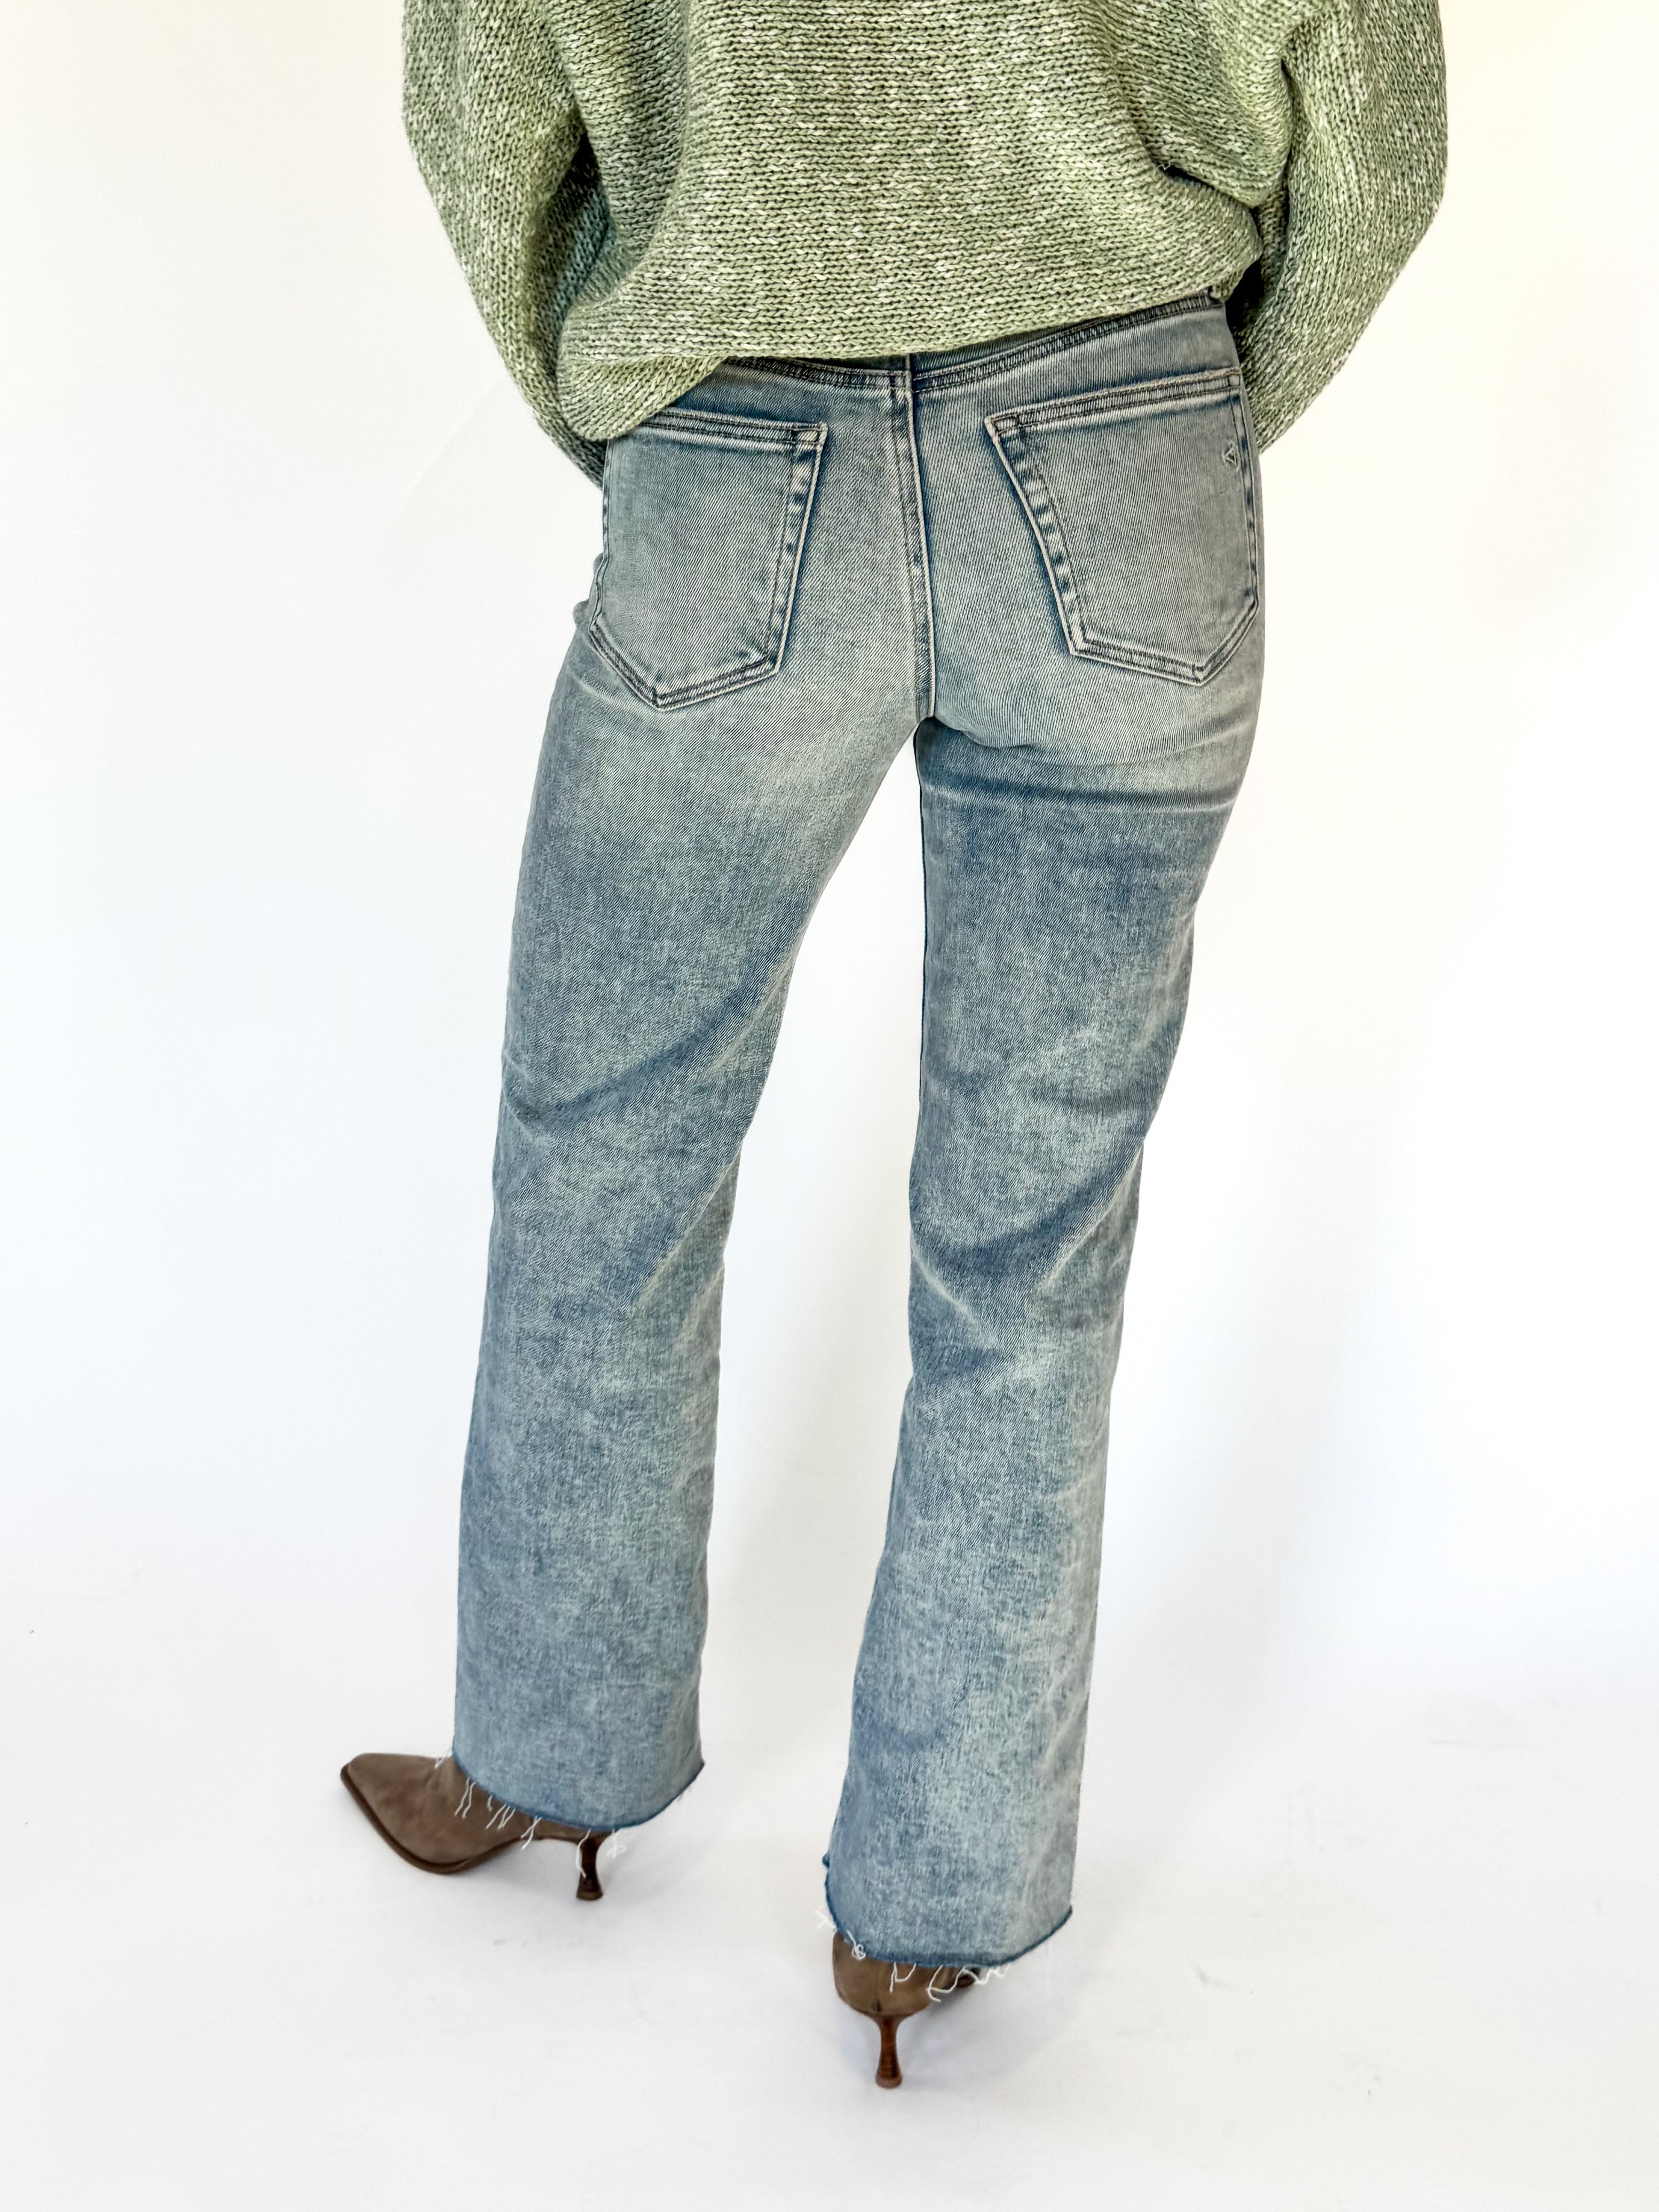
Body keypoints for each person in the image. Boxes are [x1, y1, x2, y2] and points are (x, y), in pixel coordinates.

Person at [340, 0, 1447, 2089]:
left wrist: (634, 398)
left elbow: (477, 97)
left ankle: (554, 1761)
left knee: (605, 1151)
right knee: (1033, 1241)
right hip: (1128, 450)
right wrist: (1181, 407)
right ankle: (931, 1918)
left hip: (737, 451)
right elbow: (1379, 134)